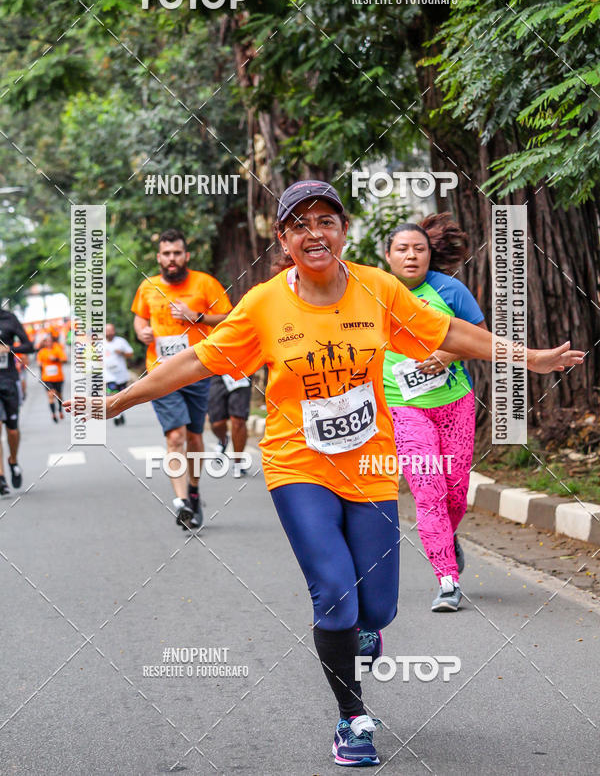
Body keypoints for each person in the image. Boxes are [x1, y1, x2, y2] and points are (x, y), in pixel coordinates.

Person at [66, 181, 584, 768]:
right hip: (297, 463)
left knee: (378, 610)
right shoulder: (264, 304)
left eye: (327, 220)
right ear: (284, 240)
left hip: (370, 464)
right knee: (335, 597)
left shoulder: (378, 287)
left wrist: (532, 358)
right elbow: (193, 359)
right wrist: (118, 401)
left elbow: (449, 334)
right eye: (299, 225)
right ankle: (352, 719)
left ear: (343, 230)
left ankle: (361, 640)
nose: (315, 232)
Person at [383, 214, 487, 612]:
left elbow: (479, 339)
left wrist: (446, 353)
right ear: (388, 256)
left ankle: (448, 535)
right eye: (402, 249)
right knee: (428, 492)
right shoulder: (376, 294)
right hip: (404, 406)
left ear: (429, 254)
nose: (411, 256)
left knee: (455, 494)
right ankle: (447, 580)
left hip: (455, 402)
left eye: (419, 249)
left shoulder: (450, 290)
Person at [131, 228, 232, 530]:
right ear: (159, 257)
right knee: (175, 437)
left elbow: (230, 317)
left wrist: (197, 317)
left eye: (177, 253)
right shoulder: (147, 287)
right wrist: (141, 331)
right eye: (166, 254)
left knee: (194, 437)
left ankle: (194, 490)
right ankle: (182, 503)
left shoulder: (205, 283)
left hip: (196, 369)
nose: (172, 259)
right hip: (161, 370)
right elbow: (139, 316)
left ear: (186, 256)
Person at [0, 308, 35, 493]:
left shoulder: (8, 318)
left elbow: (29, 346)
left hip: (8, 381)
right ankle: (1, 478)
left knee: (12, 431)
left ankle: (12, 460)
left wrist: (9, 349)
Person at [207, 374, 253, 478]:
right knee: (217, 423)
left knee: (238, 421)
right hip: (219, 373)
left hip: (242, 372)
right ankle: (223, 440)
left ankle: (238, 463)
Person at [104, 323, 133, 426]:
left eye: (111, 331)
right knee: (113, 395)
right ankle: (117, 416)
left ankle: (120, 413)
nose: (109, 333)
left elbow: (130, 353)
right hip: (108, 376)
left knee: (121, 397)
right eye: (107, 331)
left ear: (114, 331)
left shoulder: (121, 342)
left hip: (121, 375)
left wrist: (121, 352)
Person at [37, 334, 68, 422]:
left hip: (58, 378)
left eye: (50, 341)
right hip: (47, 378)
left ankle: (60, 410)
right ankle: (53, 414)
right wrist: (40, 376)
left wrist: (56, 359)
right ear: (45, 343)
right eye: (47, 341)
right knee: (51, 394)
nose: (49, 343)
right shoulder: (42, 352)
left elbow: (65, 360)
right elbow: (39, 364)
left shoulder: (57, 349)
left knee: (59, 395)